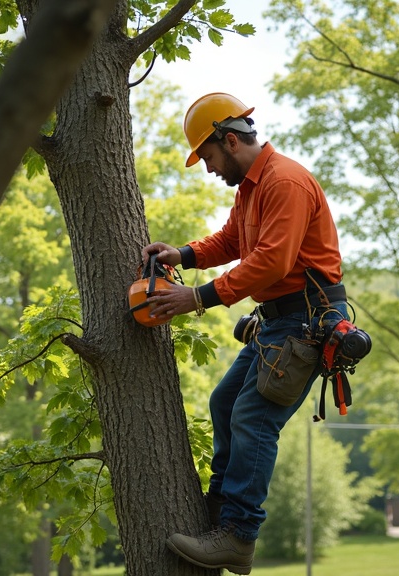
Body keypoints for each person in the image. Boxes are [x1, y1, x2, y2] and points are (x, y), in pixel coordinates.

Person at [140, 92, 350, 575]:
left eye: (209, 157)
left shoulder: (286, 182)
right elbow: (234, 240)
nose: (209, 168)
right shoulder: (250, 188)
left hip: (305, 323)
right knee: (224, 402)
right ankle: (218, 511)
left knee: (254, 420)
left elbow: (271, 261)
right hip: (276, 323)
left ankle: (238, 535)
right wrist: (184, 255)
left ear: (229, 141)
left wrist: (197, 297)